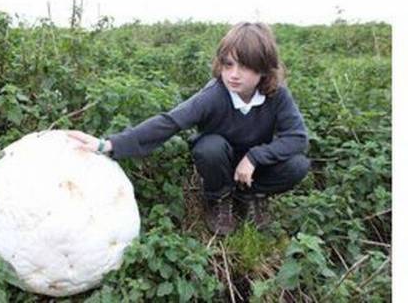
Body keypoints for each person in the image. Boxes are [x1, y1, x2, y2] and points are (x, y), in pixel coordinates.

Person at [68, 22, 310, 235]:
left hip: (253, 167)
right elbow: (170, 122)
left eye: (244, 67)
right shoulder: (214, 95)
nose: (233, 75)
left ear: (264, 69)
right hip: (220, 162)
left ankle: (250, 195)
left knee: (298, 165)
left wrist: (255, 156)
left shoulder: (277, 96)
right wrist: (108, 144)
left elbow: (298, 138)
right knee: (209, 147)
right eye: (228, 64)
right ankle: (220, 198)